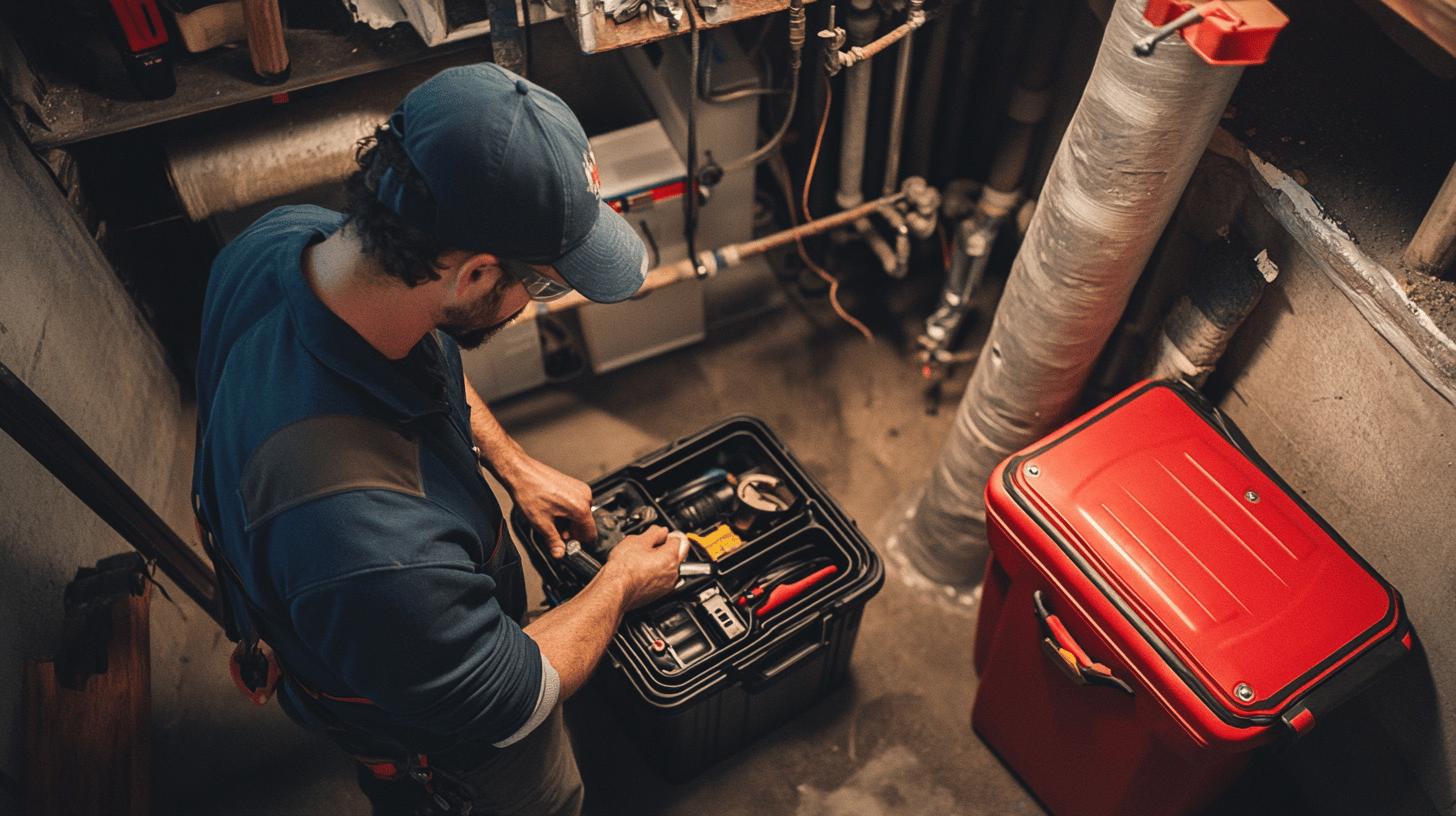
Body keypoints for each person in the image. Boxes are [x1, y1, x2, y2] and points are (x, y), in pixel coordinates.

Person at [190, 63, 685, 815]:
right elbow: (513, 695)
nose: (536, 302)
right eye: (544, 285)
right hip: (445, 751)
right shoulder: (371, 546)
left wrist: (511, 464)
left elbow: (427, 353)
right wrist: (618, 583)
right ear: (476, 274)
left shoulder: (284, 245)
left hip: (355, 618)